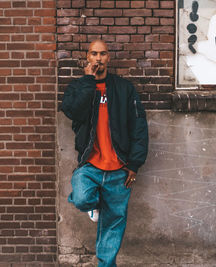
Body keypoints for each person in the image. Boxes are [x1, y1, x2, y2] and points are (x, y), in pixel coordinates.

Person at [61, 39, 148, 267]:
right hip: (90, 165)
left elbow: (139, 126)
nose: (98, 58)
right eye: (93, 54)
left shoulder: (124, 89)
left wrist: (134, 164)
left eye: (102, 54)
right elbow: (74, 112)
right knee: (81, 198)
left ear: (108, 57)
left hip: (119, 169)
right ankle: (94, 203)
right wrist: (89, 80)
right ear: (87, 58)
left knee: (113, 223)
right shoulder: (78, 87)